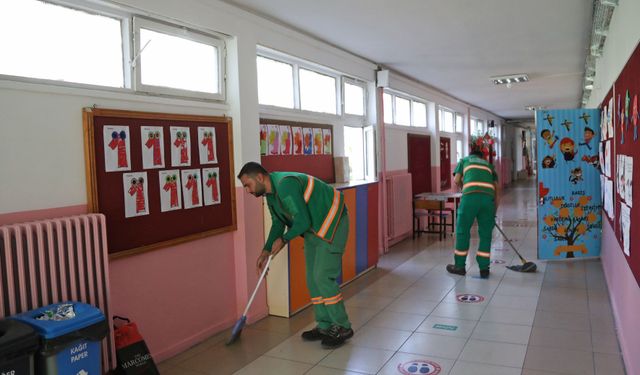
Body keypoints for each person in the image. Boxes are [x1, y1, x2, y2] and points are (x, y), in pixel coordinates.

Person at [237, 162, 353, 348]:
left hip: (332, 221)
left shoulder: (285, 185)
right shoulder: (271, 195)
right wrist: (265, 251)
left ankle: (342, 326)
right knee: (312, 279)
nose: (247, 190)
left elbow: (302, 220)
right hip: (314, 228)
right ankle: (324, 325)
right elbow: (277, 223)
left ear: (259, 177)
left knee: (322, 277)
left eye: (247, 185)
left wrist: (283, 240)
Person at [446, 145, 499, 279]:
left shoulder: (464, 161)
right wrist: (493, 213)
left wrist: (465, 188)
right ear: (482, 157)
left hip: (469, 198)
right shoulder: (489, 166)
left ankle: (459, 266)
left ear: (471, 155)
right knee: (486, 234)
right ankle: (484, 268)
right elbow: (497, 190)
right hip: (488, 199)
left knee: (463, 230)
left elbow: (456, 180)